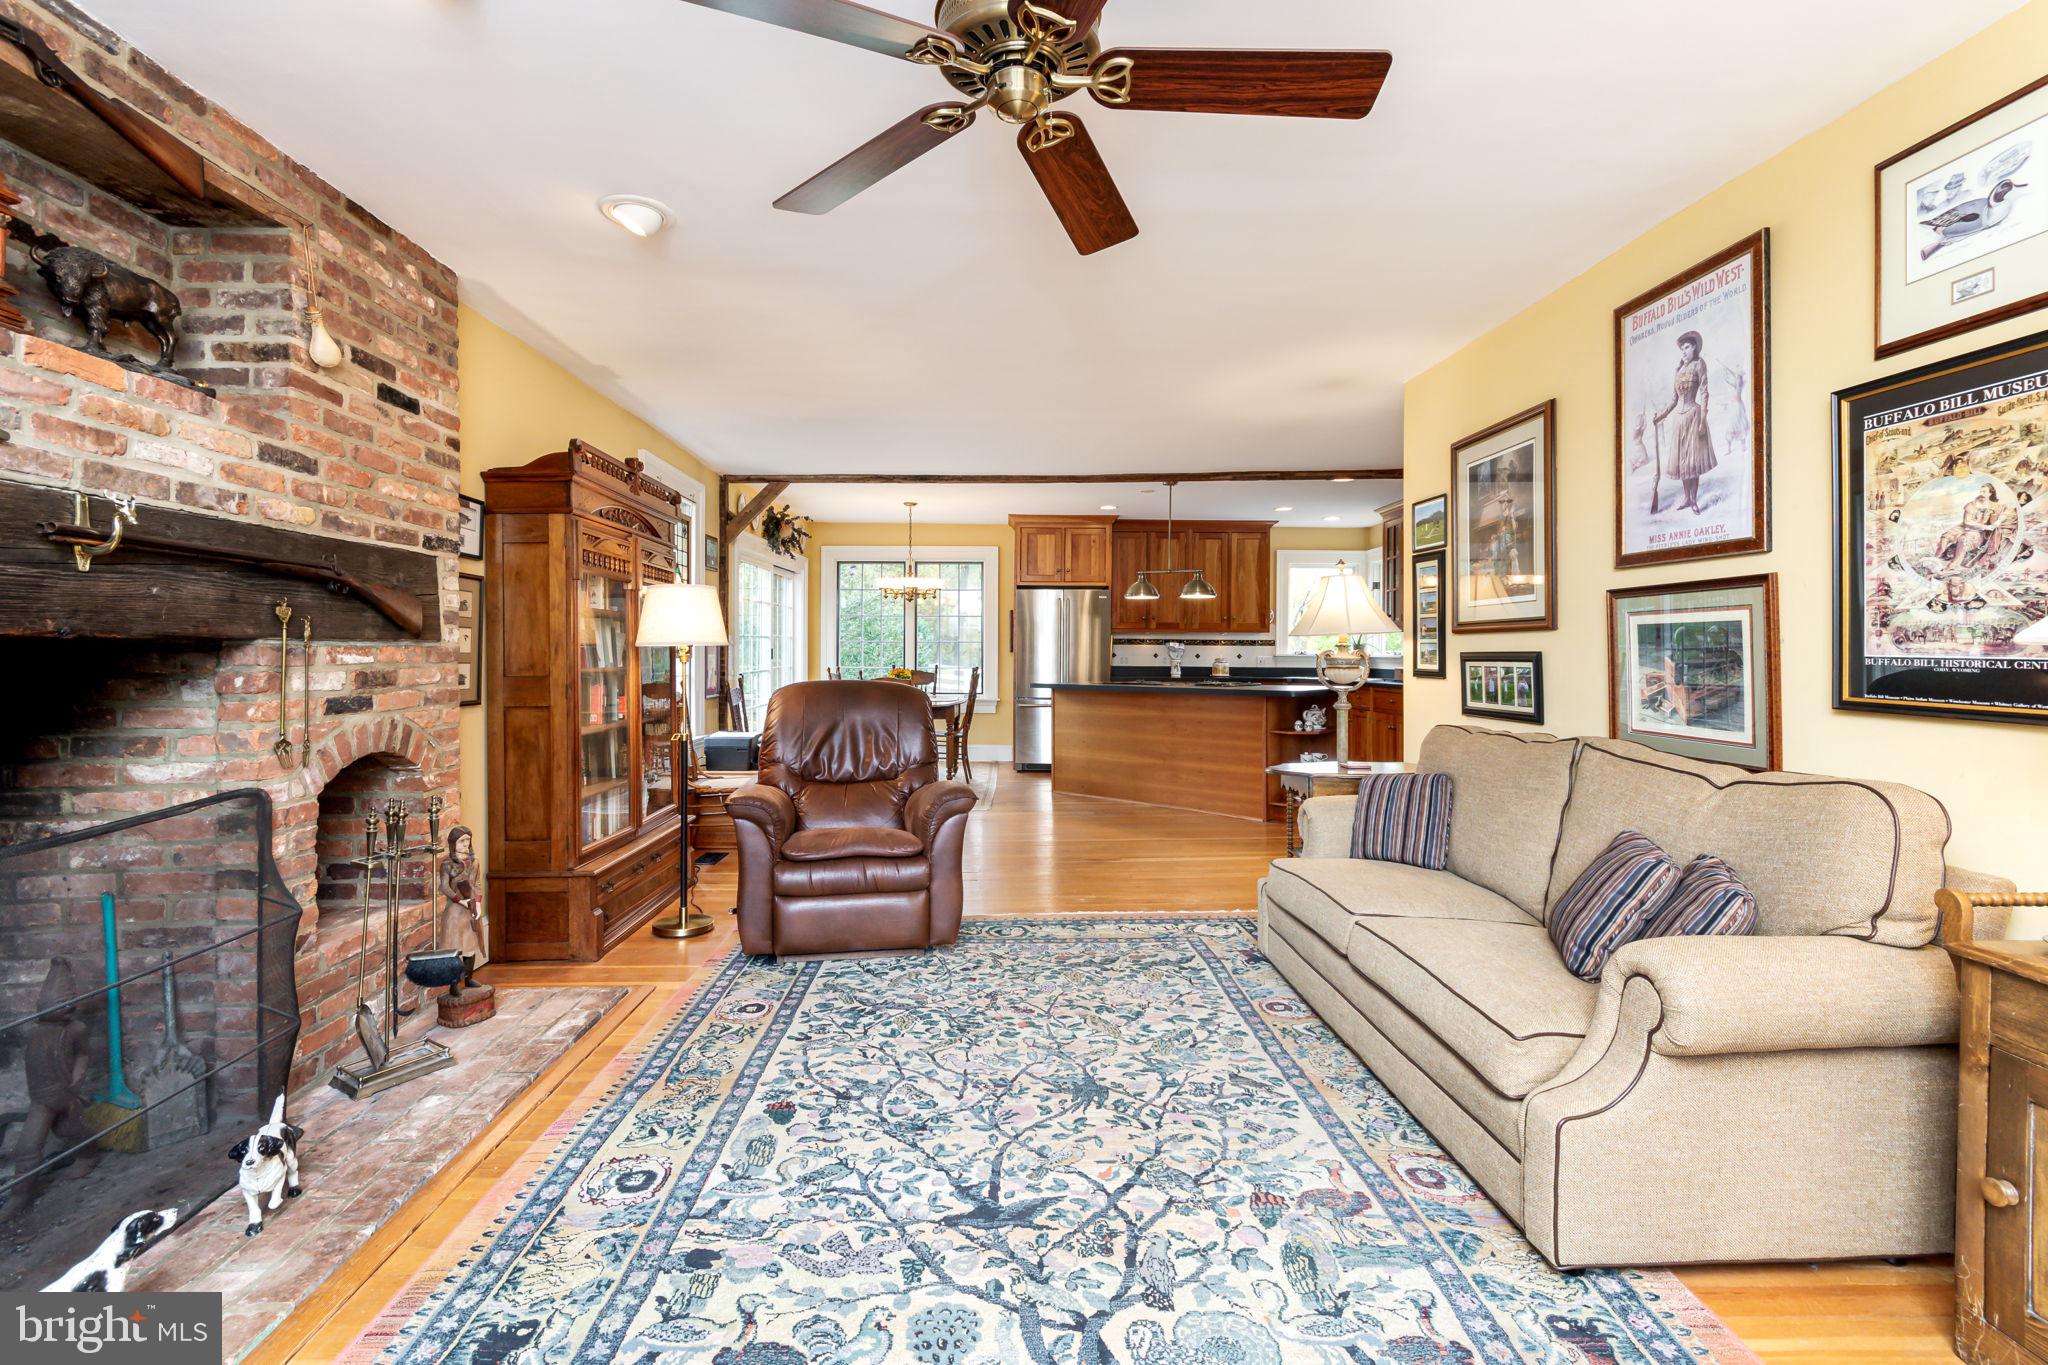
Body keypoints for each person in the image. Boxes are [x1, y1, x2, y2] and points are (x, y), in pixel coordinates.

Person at [1654, 330, 1717, 515]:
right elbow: (1674, 399)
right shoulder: (1678, 370)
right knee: (1682, 462)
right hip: (1679, 420)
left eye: (1687, 347)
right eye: (1682, 348)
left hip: (1694, 416)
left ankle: (1694, 499)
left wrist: (1703, 420)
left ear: (1694, 347)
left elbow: (1704, 392)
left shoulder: (1699, 364)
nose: (1683, 351)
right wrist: (1662, 415)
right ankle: (1686, 498)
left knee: (1693, 461)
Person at [438, 825, 486, 996]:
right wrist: (460, 900)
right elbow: (444, 886)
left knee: (470, 945)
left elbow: (477, 885)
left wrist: (477, 903)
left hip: (470, 910)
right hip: (455, 911)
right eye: (461, 841)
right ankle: (454, 983)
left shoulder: (474, 862)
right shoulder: (447, 864)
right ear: (453, 843)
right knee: (455, 947)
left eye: (467, 841)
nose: (465, 844)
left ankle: (468, 977)